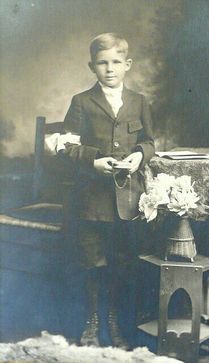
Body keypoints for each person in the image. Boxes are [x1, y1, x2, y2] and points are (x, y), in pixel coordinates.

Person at [58, 32, 155, 349]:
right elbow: (66, 145)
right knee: (92, 261)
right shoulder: (82, 102)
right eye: (102, 63)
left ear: (128, 64)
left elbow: (151, 143)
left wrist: (139, 155)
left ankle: (112, 320)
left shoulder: (139, 102)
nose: (109, 69)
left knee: (120, 262)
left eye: (116, 62)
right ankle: (91, 321)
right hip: (90, 201)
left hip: (127, 201)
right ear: (92, 66)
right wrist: (93, 162)